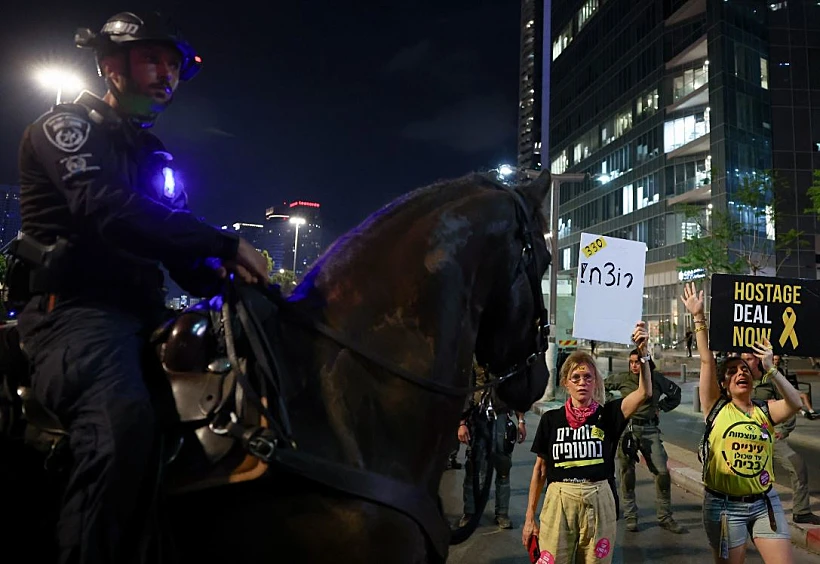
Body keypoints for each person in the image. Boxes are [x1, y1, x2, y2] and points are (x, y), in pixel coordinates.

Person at [13, 11, 268, 564]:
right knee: (119, 425)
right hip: (75, 317)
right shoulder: (64, 128)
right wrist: (225, 243)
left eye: (174, 65)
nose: (166, 74)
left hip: (146, 317)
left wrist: (231, 279)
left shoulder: (154, 157)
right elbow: (105, 210)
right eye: (152, 59)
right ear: (111, 67)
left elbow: (179, 252)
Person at [682, 283, 802, 564]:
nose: (740, 373)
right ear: (724, 383)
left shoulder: (764, 410)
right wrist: (699, 317)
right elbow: (706, 361)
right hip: (724, 507)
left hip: (764, 503)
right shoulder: (716, 407)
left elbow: (795, 403)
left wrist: (771, 368)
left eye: (745, 370)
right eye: (733, 371)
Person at [521, 322, 651, 563]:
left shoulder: (610, 415)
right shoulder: (551, 420)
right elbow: (540, 470)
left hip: (599, 500)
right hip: (558, 501)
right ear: (565, 383)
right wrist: (530, 517)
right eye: (576, 377)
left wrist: (643, 355)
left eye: (588, 377)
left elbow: (644, 392)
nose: (582, 382)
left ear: (595, 383)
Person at [606, 354, 686, 533]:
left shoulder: (656, 379)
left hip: (650, 430)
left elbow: (676, 394)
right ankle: (630, 515)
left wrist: (661, 407)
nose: (634, 366)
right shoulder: (624, 379)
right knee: (627, 472)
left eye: (638, 362)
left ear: (647, 363)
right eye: (632, 362)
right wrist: (615, 406)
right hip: (628, 430)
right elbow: (601, 387)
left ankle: (665, 517)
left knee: (662, 472)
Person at [742, 353, 820, 525]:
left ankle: (801, 511)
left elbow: (791, 401)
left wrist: (783, 430)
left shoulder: (771, 379)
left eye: (748, 359)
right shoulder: (738, 379)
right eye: (743, 358)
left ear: (757, 360)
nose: (745, 363)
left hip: (767, 434)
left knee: (797, 465)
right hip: (743, 436)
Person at [457, 361, 526, 529]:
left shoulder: (507, 357)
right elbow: (465, 389)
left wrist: (521, 421)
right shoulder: (474, 357)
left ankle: (502, 513)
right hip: (477, 416)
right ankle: (470, 512)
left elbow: (516, 391)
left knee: (503, 467)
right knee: (473, 468)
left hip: (501, 417)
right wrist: (462, 422)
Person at [771, 355, 818, 419]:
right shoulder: (770, 371)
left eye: (778, 359)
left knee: (804, 395)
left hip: (787, 388)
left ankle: (811, 411)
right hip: (779, 391)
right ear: (772, 361)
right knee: (791, 401)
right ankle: (803, 412)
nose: (777, 361)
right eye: (776, 360)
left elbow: (784, 381)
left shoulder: (780, 370)